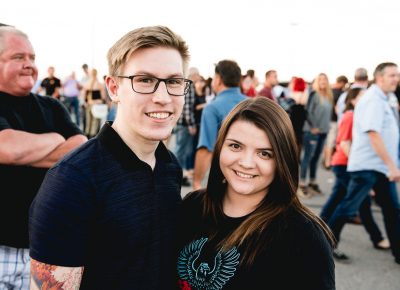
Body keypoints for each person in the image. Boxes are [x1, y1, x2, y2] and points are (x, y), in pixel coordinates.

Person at [29, 26, 190, 289]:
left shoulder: (169, 166)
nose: (162, 97)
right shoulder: (72, 180)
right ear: (114, 88)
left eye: (173, 82)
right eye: (145, 80)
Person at [177, 97, 335, 290]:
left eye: (264, 153)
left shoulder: (304, 236)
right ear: (220, 148)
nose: (246, 162)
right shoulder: (193, 206)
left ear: (282, 161)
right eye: (235, 146)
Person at [0, 26, 87, 289]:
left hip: (45, 249)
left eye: (32, 58)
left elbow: (80, 148)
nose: (29, 65)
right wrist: (55, 139)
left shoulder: (51, 106)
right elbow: (7, 148)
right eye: (18, 57)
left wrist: (24, 152)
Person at [327, 62, 400, 264]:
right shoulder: (373, 100)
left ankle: (398, 252)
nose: (396, 78)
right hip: (368, 166)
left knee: (392, 209)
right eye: (392, 75)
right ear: (379, 78)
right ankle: (325, 246)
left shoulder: (384, 99)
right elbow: (373, 134)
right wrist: (393, 166)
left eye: (397, 75)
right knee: (348, 208)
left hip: (380, 167)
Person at [319, 87, 390, 252]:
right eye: (362, 97)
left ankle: (319, 230)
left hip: (348, 165)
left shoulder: (358, 115)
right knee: (357, 204)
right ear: (352, 100)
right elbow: (344, 143)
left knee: (340, 200)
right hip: (345, 165)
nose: (367, 100)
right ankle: (376, 238)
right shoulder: (350, 116)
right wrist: (358, 165)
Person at [192, 60, 247, 190]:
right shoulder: (253, 104)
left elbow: (206, 149)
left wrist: (197, 182)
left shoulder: (212, 108)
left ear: (218, 79)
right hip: (250, 175)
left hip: (224, 176)